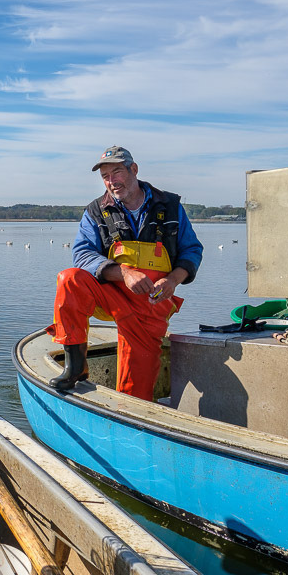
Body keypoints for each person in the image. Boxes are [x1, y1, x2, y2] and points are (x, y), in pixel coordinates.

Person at [47, 145, 203, 400]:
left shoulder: (171, 206)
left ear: (134, 169)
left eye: (117, 172)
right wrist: (124, 274)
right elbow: (83, 255)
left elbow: (192, 250)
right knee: (70, 279)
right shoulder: (95, 211)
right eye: (105, 176)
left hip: (152, 305)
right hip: (112, 297)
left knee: (135, 395)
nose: (111, 181)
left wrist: (173, 279)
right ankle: (75, 367)